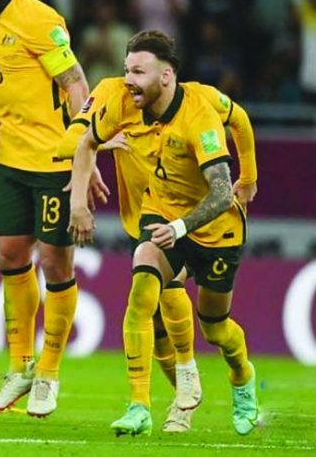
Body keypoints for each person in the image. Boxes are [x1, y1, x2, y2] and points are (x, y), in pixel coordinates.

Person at [68, 30, 259, 436]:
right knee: (143, 287)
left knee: (216, 326)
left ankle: (242, 376)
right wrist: (78, 204)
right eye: (126, 70)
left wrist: (249, 177)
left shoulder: (200, 111)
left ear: (167, 76)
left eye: (139, 71)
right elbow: (84, 142)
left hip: (214, 228)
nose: (129, 79)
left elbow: (222, 191)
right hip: (158, 211)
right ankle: (139, 405)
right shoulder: (119, 99)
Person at [0, 0, 101, 417]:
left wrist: (87, 153)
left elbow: (77, 85)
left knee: (56, 265)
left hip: (55, 163)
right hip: (12, 163)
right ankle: (20, 367)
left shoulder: (41, 20)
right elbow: (2, 89)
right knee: (9, 255)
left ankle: (48, 372)